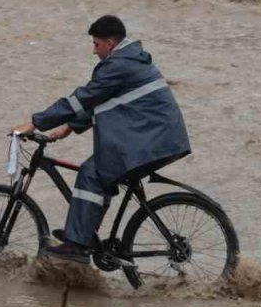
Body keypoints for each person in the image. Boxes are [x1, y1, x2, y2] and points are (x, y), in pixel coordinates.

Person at [11, 15, 191, 264]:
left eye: (96, 44)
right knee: (99, 173)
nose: (93, 51)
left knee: (91, 173)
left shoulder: (118, 64)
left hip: (151, 141)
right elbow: (105, 99)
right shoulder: (129, 59)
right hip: (158, 138)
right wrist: (71, 126)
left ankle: (77, 244)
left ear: (109, 42)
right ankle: (82, 235)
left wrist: (35, 122)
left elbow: (83, 98)